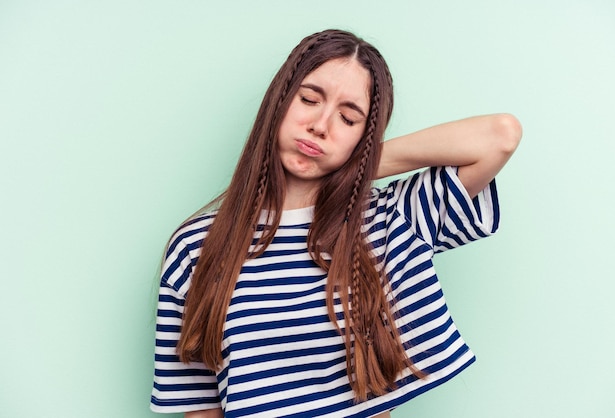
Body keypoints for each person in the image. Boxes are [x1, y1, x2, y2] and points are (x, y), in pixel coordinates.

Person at [150, 29, 521, 418]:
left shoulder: (391, 218)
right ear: (279, 100)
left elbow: (500, 136)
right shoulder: (196, 246)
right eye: (309, 99)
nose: (321, 125)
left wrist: (358, 166)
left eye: (348, 118)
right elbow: (196, 403)